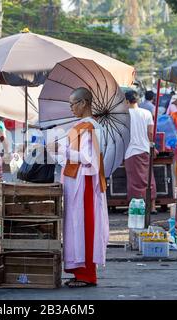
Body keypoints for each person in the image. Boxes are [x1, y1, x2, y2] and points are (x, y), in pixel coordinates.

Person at [47, 87, 109, 288]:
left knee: (84, 226)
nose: (71, 108)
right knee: (74, 227)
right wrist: (55, 152)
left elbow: (87, 158)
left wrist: (63, 151)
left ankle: (87, 274)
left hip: (85, 184)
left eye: (73, 103)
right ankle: (78, 271)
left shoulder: (90, 127)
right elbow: (69, 157)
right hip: (75, 181)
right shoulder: (81, 126)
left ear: (83, 103)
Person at [124, 91, 157, 214]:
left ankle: (133, 208)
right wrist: (152, 145)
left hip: (130, 151)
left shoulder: (124, 115)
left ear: (127, 101)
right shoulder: (147, 113)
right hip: (145, 149)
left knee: (133, 181)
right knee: (149, 178)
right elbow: (150, 133)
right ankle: (152, 206)